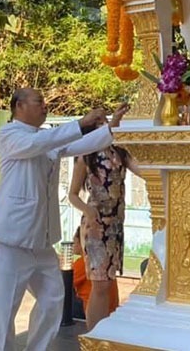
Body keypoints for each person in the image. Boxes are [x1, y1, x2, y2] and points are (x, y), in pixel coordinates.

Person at [0, 87, 130, 351]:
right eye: (39, 101)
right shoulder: (10, 135)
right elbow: (40, 144)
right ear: (19, 106)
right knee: (3, 309)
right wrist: (80, 123)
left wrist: (111, 128)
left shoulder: (45, 138)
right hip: (11, 239)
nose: (44, 106)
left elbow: (77, 145)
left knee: (53, 298)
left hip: (41, 238)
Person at [68, 139, 142, 330]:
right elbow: (73, 195)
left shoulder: (121, 153)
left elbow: (144, 171)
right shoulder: (86, 156)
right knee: (99, 286)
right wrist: (88, 211)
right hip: (95, 226)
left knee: (106, 285)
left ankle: (100, 336)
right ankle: (94, 337)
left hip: (115, 225)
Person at [72, 226, 119, 319]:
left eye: (74, 241)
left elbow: (65, 280)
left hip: (90, 309)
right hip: (111, 310)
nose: (72, 244)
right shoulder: (103, 259)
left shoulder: (84, 262)